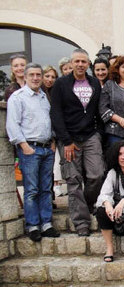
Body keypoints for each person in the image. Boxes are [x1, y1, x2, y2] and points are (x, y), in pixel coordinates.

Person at [50, 48, 105, 237]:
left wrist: (98, 133)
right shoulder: (61, 84)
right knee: (73, 181)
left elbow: (97, 111)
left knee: (97, 174)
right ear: (71, 63)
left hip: (90, 136)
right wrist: (66, 141)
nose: (80, 64)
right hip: (69, 139)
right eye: (77, 61)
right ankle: (81, 222)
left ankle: (89, 204)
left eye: (84, 61)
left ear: (88, 64)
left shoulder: (94, 83)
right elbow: (56, 114)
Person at [6, 63, 60, 241]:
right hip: (30, 148)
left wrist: (52, 140)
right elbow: (12, 124)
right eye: (32, 75)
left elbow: (48, 120)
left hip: (46, 148)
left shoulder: (44, 97)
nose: (36, 78)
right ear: (26, 77)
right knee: (31, 190)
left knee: (45, 189)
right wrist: (23, 145)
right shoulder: (18, 97)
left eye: (39, 75)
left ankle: (46, 224)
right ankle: (33, 225)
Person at [41, 65, 64, 197]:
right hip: (44, 137)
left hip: (53, 137)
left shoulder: (54, 93)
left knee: (51, 169)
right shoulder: (40, 93)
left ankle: (50, 197)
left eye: (53, 77)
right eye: (47, 76)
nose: (50, 79)